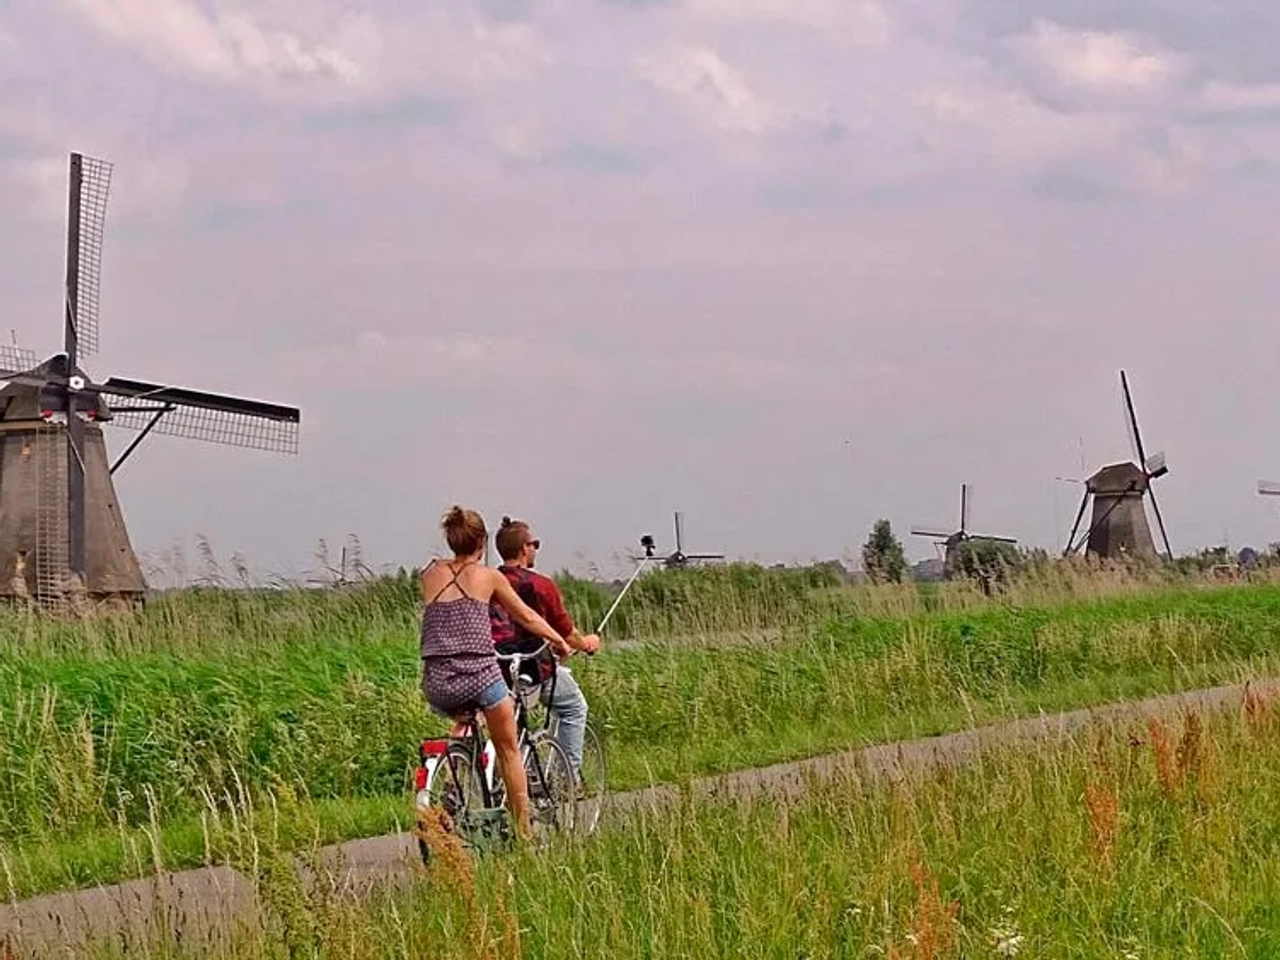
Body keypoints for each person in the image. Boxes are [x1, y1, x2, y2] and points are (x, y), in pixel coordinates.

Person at [420, 505, 571, 841]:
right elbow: (527, 617)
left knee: (465, 718)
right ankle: (524, 837)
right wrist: (559, 642)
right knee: (507, 749)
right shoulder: (489, 576)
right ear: (482, 542)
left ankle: (451, 783)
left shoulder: (429, 573)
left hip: (437, 682)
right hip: (479, 675)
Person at [490, 516, 600, 780]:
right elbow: (567, 632)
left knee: (509, 726)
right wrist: (587, 644)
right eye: (534, 544)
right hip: (535, 667)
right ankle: (567, 780)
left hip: (495, 670)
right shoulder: (541, 586)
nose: (536, 549)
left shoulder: (488, 583)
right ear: (523, 548)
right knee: (574, 708)